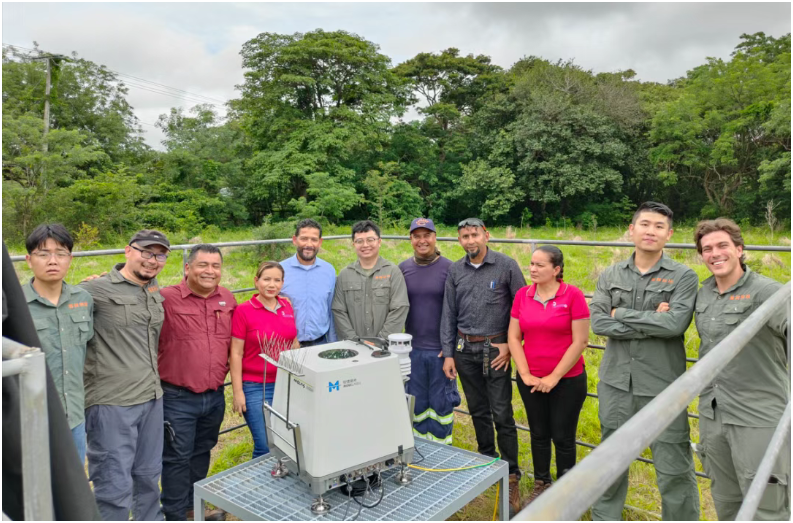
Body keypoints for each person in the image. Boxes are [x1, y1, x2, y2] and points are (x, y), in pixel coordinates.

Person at [589, 202, 699, 521]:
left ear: (669, 234)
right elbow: (598, 322)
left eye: (659, 226)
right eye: (645, 224)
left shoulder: (683, 276)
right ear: (632, 229)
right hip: (616, 384)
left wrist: (620, 313)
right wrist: (652, 319)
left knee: (673, 466)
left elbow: (674, 325)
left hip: (662, 386)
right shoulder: (611, 274)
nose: (651, 231)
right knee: (610, 462)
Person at [693, 218, 790, 521]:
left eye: (722, 245)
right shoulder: (704, 293)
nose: (715, 253)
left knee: (766, 506)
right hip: (713, 413)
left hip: (757, 415)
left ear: (739, 249)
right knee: (726, 500)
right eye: (707, 249)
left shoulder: (768, 292)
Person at [80, 229, 171, 521]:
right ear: (128, 250)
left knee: (148, 475)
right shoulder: (94, 290)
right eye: (146, 252)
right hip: (112, 402)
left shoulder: (152, 288)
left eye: (160, 255)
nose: (153, 260)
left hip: (152, 397)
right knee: (113, 483)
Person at [440, 217, 526, 516]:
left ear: (486, 235)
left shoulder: (506, 266)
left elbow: (521, 307)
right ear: (459, 240)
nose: (470, 241)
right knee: (477, 409)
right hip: (465, 349)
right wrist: (448, 353)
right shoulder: (455, 270)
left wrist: (512, 344)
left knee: (502, 412)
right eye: (464, 236)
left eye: (474, 234)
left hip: (496, 349)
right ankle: (487, 460)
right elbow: (448, 313)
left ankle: (511, 474)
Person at [508, 245, 590, 505]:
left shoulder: (573, 296)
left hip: (567, 381)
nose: (532, 269)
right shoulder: (523, 295)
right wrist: (524, 373)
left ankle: (566, 493)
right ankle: (541, 484)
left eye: (539, 265)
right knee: (538, 434)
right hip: (530, 380)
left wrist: (554, 377)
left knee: (563, 437)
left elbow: (580, 341)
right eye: (531, 263)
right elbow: (513, 336)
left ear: (556, 269)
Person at [158, 244, 235, 521]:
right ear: (187, 267)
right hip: (177, 397)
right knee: (177, 458)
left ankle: (193, 508)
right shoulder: (165, 298)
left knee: (202, 451)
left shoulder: (227, 299)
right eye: (203, 265)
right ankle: (174, 514)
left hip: (214, 395)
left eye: (215, 266)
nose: (209, 271)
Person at [22, 224, 94, 465]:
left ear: (70, 259)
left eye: (60, 253)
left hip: (74, 416)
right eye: (43, 254)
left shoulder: (83, 299)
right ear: (29, 260)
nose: (52, 261)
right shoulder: (14, 305)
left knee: (73, 480)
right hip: (29, 418)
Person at [398, 218, 459, 444]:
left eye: (427, 235)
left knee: (442, 402)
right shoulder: (402, 269)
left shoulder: (450, 268)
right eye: (417, 236)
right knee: (416, 402)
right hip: (412, 349)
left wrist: (450, 349)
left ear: (435, 237)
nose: (422, 240)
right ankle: (420, 447)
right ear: (410, 239)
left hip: (440, 350)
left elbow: (457, 311)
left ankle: (443, 447)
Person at [230, 261, 298, 459]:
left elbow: (293, 342)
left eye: (277, 280)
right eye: (266, 279)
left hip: (286, 383)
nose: (272, 284)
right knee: (265, 445)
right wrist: (238, 392)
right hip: (256, 386)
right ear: (256, 281)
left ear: (283, 283)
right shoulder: (244, 310)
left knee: (287, 441)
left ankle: (282, 474)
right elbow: (236, 353)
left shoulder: (287, 306)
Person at [332, 220, 409, 340]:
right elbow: (338, 310)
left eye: (370, 240)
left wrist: (381, 341)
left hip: (385, 347)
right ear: (353, 244)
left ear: (379, 242)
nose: (365, 245)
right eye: (359, 241)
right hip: (352, 347)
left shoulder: (393, 272)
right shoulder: (345, 275)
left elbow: (399, 308)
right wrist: (353, 340)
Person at [280, 219, 337, 346]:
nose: (309, 244)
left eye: (314, 239)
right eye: (304, 239)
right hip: (287, 344)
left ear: (320, 242)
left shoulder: (329, 271)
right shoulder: (280, 270)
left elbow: (331, 309)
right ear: (295, 240)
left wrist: (333, 343)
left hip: (320, 343)